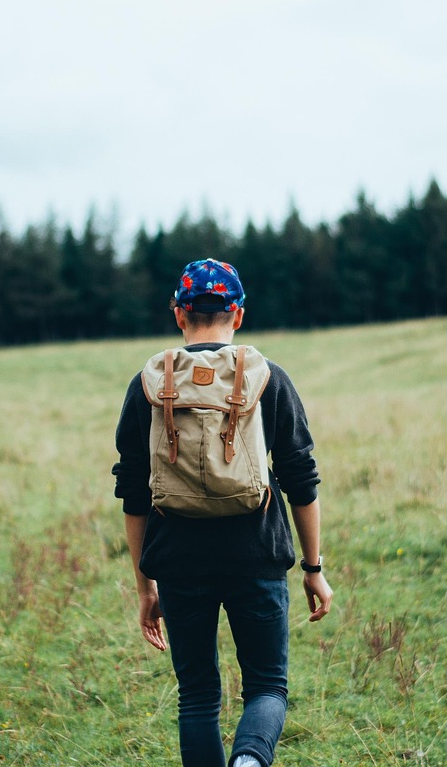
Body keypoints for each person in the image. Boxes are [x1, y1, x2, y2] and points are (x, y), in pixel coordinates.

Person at [112, 258, 333, 767]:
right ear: (237, 313)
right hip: (256, 555)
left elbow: (133, 490)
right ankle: (250, 761)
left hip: (178, 562)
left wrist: (146, 586)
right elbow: (301, 477)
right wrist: (314, 569)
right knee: (267, 687)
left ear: (179, 315)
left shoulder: (147, 384)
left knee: (197, 698)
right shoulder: (267, 378)